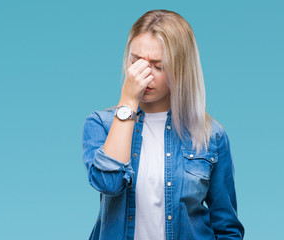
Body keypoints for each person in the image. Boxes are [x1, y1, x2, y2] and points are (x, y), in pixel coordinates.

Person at [81, 9, 245, 240]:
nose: (144, 75)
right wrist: (128, 101)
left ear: (180, 69)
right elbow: (108, 182)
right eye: (136, 62)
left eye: (158, 66)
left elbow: (227, 227)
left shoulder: (211, 136)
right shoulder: (102, 124)